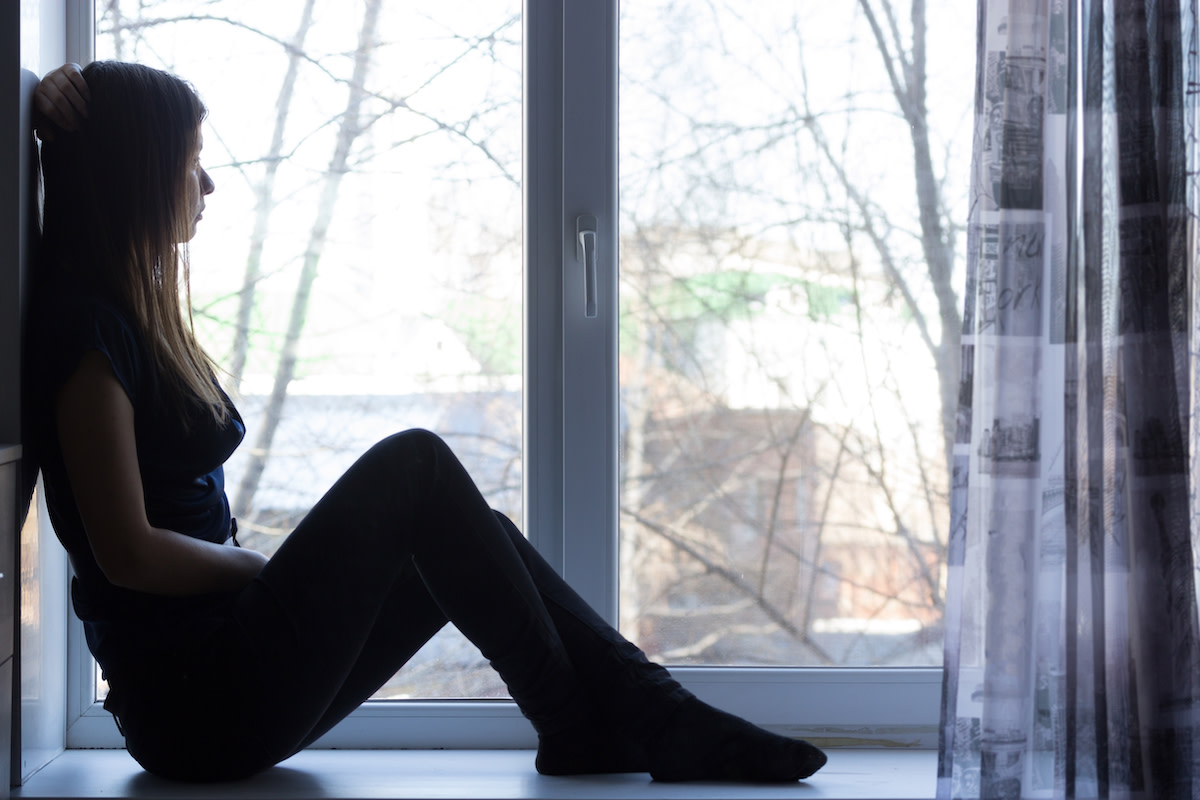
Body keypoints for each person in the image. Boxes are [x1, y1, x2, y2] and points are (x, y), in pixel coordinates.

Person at [26, 60, 828, 784]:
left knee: (483, 536)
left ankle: (606, 722)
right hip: (196, 707)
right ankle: (635, 720)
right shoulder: (83, 331)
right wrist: (263, 569)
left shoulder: (125, 322)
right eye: (189, 162)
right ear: (133, 172)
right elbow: (127, 555)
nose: (206, 187)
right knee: (416, 465)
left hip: (225, 678)